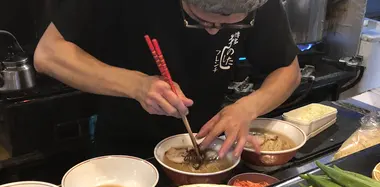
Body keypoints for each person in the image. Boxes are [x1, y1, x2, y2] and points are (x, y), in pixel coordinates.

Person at [34, 0, 301, 159]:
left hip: (207, 146)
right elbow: (48, 54)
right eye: (199, 20)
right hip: (128, 152)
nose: (212, 34)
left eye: (231, 25)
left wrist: (247, 107)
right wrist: (136, 85)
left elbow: (289, 71)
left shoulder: (256, 2)